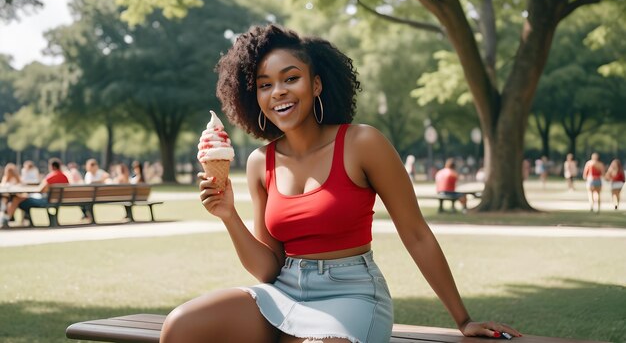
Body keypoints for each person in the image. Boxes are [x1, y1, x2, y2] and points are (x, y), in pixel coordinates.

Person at [160, 24, 520, 342]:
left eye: (291, 78)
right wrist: (228, 215)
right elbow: (269, 268)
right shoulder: (259, 163)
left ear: (316, 84)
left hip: (351, 294)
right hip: (283, 291)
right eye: (265, 85)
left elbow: (417, 234)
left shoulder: (362, 143)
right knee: (181, 327)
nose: (278, 92)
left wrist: (463, 319)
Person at [1, 158, 69, 226]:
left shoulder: (51, 176)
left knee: (16, 198)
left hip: (46, 201)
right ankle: (25, 218)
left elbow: (40, 189)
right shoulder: (64, 177)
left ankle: (6, 219)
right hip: (58, 200)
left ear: (52, 166)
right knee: (20, 198)